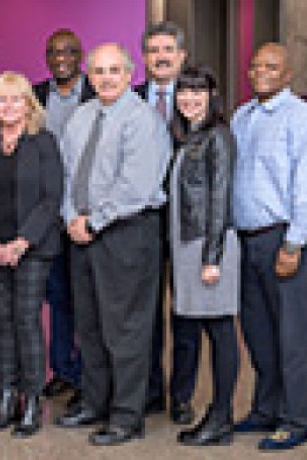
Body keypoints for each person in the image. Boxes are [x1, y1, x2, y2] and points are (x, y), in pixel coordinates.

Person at [54, 43, 171, 446]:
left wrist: (94, 221)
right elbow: (67, 174)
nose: (105, 77)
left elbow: (135, 186)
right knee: (90, 324)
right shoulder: (81, 117)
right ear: (89, 74)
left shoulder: (142, 120)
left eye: (113, 70)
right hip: (82, 234)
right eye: (98, 71)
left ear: (128, 72)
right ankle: (95, 402)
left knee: (126, 329)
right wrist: (71, 217)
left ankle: (126, 416)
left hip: (126, 232)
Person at [0, 71, 62, 437]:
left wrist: (21, 243)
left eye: (16, 99)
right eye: (1, 100)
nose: (8, 106)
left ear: (28, 104)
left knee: (26, 321)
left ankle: (33, 400)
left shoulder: (44, 142)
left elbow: (51, 199)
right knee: (2, 322)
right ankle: (7, 396)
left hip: (32, 249)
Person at [232, 42, 307, 451]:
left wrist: (294, 243)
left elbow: (306, 187)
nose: (261, 71)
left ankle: (297, 418)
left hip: (283, 239)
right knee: (258, 333)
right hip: (246, 242)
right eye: (256, 65)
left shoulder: (301, 118)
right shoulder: (241, 117)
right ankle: (265, 410)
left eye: (271, 66)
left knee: (293, 336)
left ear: (287, 74)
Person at [167, 65, 240, 446]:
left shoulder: (217, 137)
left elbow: (220, 200)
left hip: (209, 247)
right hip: (188, 247)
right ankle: (219, 416)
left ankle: (221, 418)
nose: (189, 98)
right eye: (183, 91)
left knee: (221, 332)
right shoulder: (186, 136)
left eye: (198, 91)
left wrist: (212, 257)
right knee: (207, 330)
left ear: (212, 95)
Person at [135, 21, 196, 425]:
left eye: (167, 50)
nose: (160, 56)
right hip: (142, 222)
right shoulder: (131, 99)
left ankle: (182, 396)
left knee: (186, 313)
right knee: (145, 313)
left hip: (189, 223)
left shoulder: (199, 100)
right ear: (144, 57)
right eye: (153, 49)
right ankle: (151, 390)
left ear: (181, 56)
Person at [32, 28, 95, 409]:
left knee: (87, 299)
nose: (61, 58)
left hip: (85, 216)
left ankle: (89, 375)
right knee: (57, 298)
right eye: (54, 52)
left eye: (69, 51)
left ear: (80, 55)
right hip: (47, 217)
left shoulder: (97, 94)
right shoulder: (36, 97)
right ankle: (63, 372)